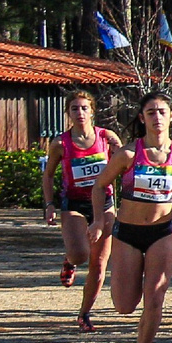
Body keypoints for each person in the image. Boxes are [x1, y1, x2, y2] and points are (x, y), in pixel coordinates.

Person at [89, 90, 172, 343]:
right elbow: (99, 185)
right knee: (125, 305)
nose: (157, 117)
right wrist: (98, 219)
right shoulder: (128, 154)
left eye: (162, 112)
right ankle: (128, 296)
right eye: (151, 112)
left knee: (155, 296)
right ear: (142, 118)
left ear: (171, 116)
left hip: (162, 232)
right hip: (127, 233)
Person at [42, 89, 120, 329]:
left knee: (98, 266)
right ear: (68, 113)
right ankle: (70, 260)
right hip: (74, 203)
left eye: (84, 108)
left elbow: (123, 166)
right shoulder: (60, 143)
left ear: (93, 112)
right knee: (80, 254)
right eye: (74, 108)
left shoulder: (106, 137)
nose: (80, 113)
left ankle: (84, 314)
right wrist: (49, 204)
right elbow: (48, 175)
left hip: (104, 204)